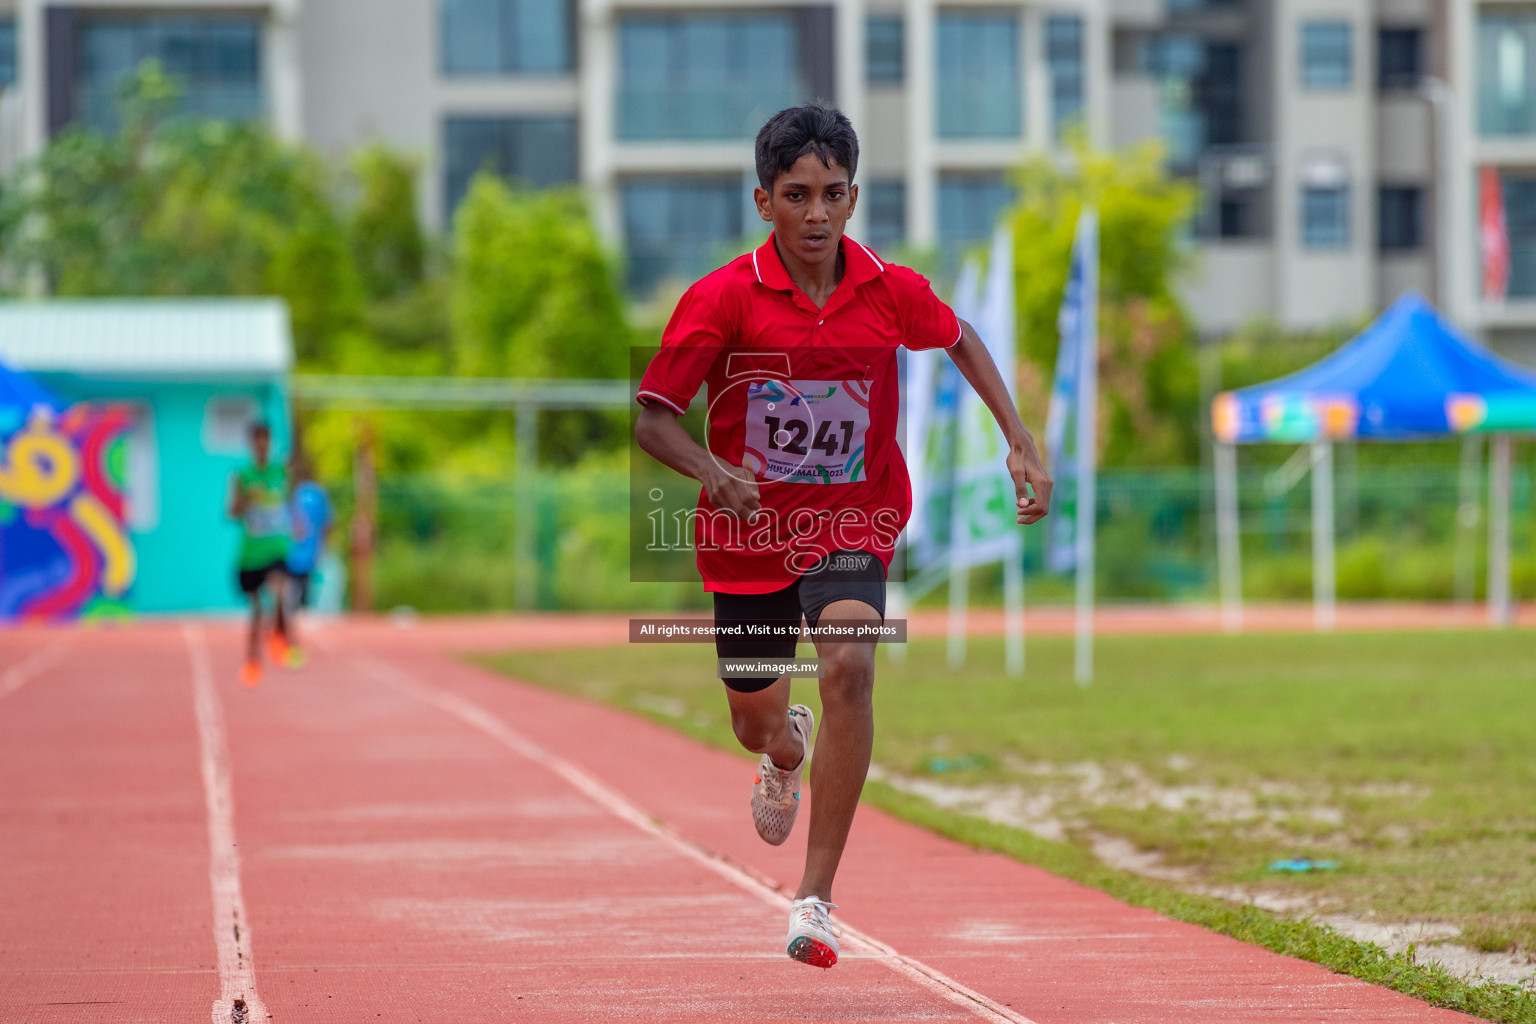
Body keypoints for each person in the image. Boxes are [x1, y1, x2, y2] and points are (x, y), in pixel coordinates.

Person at [634, 104, 1051, 968]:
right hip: (746, 535)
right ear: (764, 201)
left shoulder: (888, 290)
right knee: (753, 721)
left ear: (854, 197)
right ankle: (785, 747)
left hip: (853, 519)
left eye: (831, 194)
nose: (816, 214)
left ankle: (815, 899)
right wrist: (713, 473)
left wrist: (1018, 435)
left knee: (851, 665)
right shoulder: (721, 300)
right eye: (797, 195)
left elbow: (961, 337)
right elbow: (653, 419)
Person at [228, 421, 295, 687]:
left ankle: (280, 638)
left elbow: (288, 504)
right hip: (250, 553)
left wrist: (297, 524)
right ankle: (252, 661)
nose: (262, 445)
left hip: (276, 548)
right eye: (257, 440)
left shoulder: (281, 472)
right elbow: (231, 513)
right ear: (251, 443)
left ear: (270, 442)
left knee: (280, 592)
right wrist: (246, 498)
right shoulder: (242, 475)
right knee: (256, 611)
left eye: (266, 439)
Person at [284, 453, 333, 654]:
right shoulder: (282, 493)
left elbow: (327, 522)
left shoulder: (315, 493)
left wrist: (323, 547)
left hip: (308, 555)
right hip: (285, 555)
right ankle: (288, 638)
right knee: (287, 597)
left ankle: (296, 640)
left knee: (303, 599)